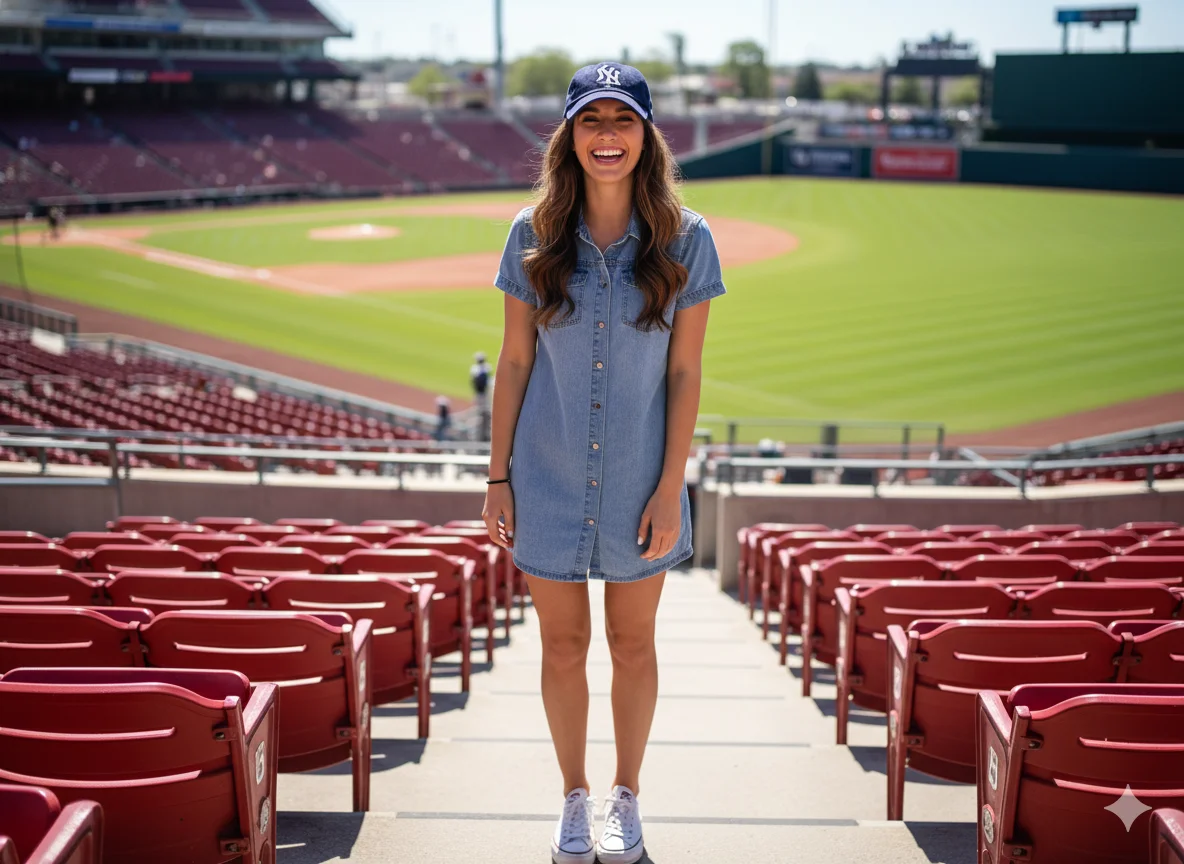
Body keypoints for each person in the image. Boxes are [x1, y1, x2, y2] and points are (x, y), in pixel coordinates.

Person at [481, 62, 726, 864]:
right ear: (570, 135)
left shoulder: (688, 239)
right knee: (559, 646)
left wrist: (669, 486)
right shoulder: (532, 233)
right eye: (593, 120)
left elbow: (687, 373)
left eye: (624, 120)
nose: (608, 136)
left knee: (631, 644)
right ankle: (573, 800)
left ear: (647, 136)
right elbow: (513, 363)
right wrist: (497, 478)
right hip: (545, 474)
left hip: (638, 483)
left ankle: (626, 797)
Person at [470, 350, 493, 439]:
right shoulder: (487, 367)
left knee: (480, 409)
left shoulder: (475, 369)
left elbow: (473, 381)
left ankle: (481, 424)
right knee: (484, 408)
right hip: (486, 393)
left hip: (480, 393)